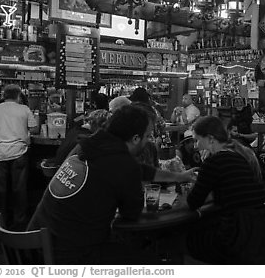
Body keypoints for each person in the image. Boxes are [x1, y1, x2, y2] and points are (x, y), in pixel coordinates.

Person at [27, 105, 197, 264]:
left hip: (33, 247)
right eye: (147, 136)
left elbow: (140, 170)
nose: (148, 141)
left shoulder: (86, 147)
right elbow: (131, 215)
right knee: (154, 262)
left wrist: (179, 176)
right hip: (70, 258)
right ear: (135, 138)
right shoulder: (123, 166)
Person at [186, 116, 265, 264]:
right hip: (260, 235)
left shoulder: (213, 162)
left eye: (197, 140)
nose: (196, 145)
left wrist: (192, 181)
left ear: (210, 139)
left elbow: (193, 202)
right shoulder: (240, 156)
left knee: (186, 238)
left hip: (235, 239)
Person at [0, 84, 39, 230]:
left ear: (3, 95)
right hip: (19, 153)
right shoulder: (24, 109)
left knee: (0, 191)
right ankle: (20, 222)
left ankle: (1, 221)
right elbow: (35, 129)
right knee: (19, 189)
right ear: (19, 95)